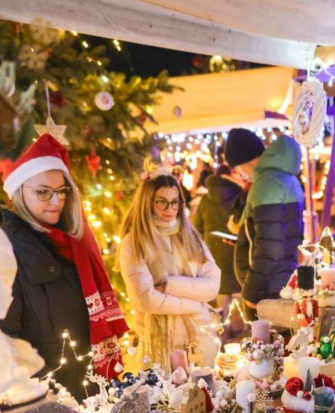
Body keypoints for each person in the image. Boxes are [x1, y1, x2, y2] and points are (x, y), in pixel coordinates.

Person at [0, 134, 128, 398]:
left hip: (89, 390)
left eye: (61, 191)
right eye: (43, 192)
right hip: (51, 401)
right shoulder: (6, 252)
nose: (56, 201)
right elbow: (3, 342)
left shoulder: (70, 242)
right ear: (19, 192)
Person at [117, 170, 221, 371]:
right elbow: (145, 299)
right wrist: (194, 305)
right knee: (166, 399)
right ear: (148, 201)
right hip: (159, 343)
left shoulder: (190, 236)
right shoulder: (134, 242)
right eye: (162, 202)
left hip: (199, 335)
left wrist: (170, 285)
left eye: (175, 202)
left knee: (204, 395)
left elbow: (212, 285)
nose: (170, 209)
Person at [224, 128, 305, 316]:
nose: (238, 173)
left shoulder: (267, 184)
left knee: (266, 344)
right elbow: (275, 235)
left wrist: (252, 293)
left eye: (236, 167)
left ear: (245, 160)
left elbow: (270, 250)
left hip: (268, 289)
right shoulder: (285, 178)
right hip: (281, 281)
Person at [193, 164, 246, 327]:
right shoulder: (239, 195)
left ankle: (222, 331)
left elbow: (197, 226)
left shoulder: (205, 199)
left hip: (213, 249)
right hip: (236, 248)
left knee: (220, 289)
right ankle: (239, 330)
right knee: (238, 290)